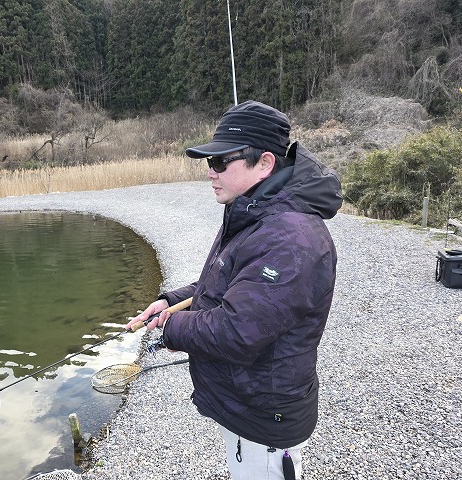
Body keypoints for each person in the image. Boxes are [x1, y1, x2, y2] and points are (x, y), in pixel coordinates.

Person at [126, 100, 342, 480]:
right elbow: (232, 283)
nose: (210, 172)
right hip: (246, 402)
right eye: (209, 162)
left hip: (265, 417)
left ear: (265, 163)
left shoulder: (289, 237)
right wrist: (171, 303)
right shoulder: (254, 212)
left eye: (221, 161)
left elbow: (237, 331)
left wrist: (170, 327)